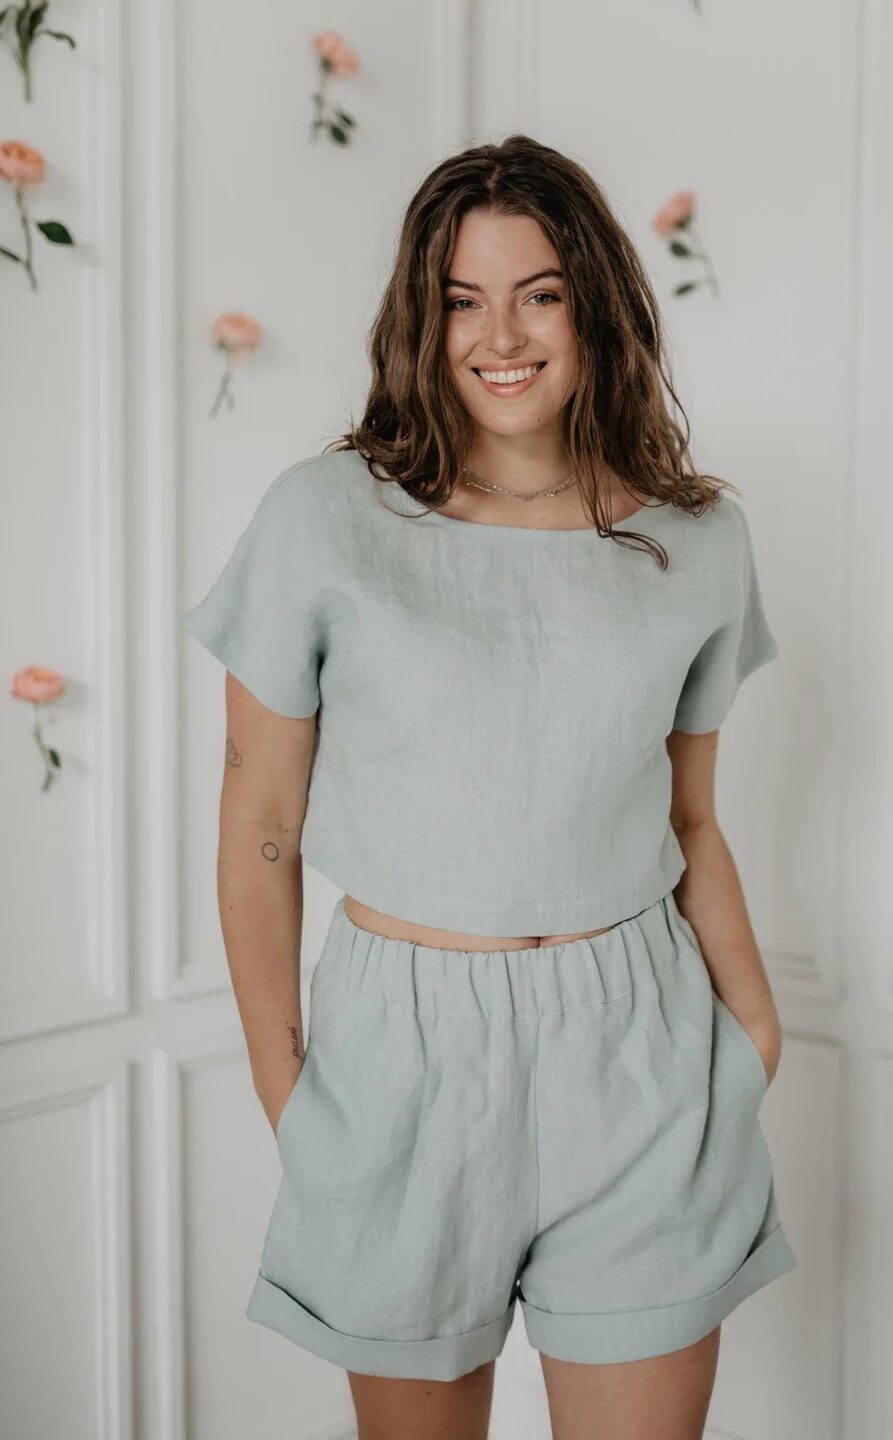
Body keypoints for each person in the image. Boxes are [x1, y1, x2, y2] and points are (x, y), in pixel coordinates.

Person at [182, 133, 796, 1440]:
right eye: (462, 298)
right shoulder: (324, 519)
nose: (499, 334)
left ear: (598, 306)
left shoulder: (697, 539)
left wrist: (751, 1034)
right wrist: (286, 1085)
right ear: (423, 316)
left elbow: (693, 819)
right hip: (398, 1061)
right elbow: (262, 826)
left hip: (637, 1048)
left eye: (540, 292)